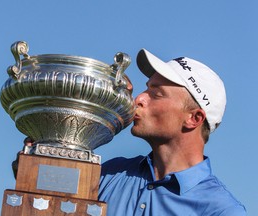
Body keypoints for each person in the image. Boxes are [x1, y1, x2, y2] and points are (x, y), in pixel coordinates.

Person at [98, 49, 246, 215]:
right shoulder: (110, 172)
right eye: (147, 89)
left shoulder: (220, 210)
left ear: (194, 118)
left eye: (156, 94)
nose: (139, 98)